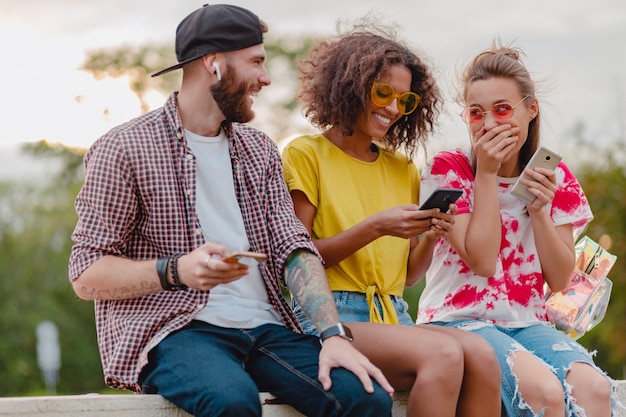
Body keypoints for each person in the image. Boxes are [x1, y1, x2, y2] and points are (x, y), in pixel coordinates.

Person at [68, 5, 395, 417]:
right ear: (214, 63)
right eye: (256, 61)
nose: (266, 76)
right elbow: (85, 274)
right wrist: (178, 271)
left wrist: (333, 336)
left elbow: (294, 247)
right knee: (232, 401)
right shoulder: (124, 148)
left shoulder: (258, 149)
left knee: (365, 396)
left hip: (267, 329)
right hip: (177, 330)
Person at [281, 21, 501, 417]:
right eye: (383, 93)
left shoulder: (403, 169)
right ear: (349, 86)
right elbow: (298, 257)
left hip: (393, 315)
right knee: (444, 354)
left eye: (406, 100)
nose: (393, 109)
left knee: (482, 357)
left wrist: (433, 233)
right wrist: (376, 227)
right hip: (329, 317)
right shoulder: (305, 154)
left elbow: (410, 276)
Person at [416, 41, 620, 417]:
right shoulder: (449, 169)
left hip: (529, 323)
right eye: (476, 113)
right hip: (459, 321)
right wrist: (487, 175)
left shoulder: (554, 177)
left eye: (503, 109)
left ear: (531, 109)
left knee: (593, 388)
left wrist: (540, 212)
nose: (490, 124)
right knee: (542, 392)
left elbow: (560, 281)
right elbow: (482, 261)